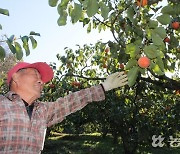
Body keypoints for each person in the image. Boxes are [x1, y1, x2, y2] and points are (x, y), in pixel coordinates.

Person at [0, 62, 128, 154]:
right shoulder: (2, 104)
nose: (41, 82)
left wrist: (104, 87)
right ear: (16, 77)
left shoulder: (42, 110)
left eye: (41, 79)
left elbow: (70, 102)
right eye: (35, 74)